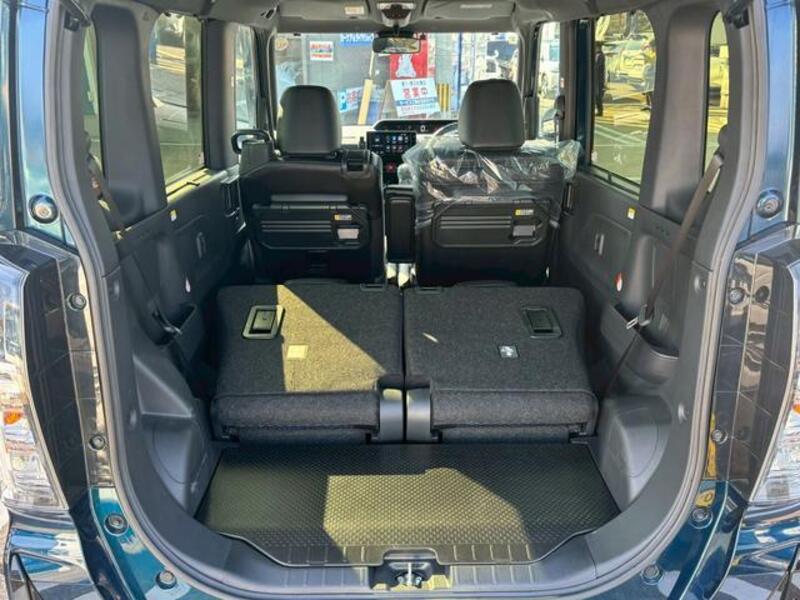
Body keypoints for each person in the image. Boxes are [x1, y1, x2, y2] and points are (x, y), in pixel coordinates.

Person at [642, 38, 656, 111]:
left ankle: (653, 106)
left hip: (653, 75)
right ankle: (648, 104)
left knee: (650, 90)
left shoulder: (657, 53)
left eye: (651, 47)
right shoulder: (652, 53)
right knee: (648, 90)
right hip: (649, 74)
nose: (650, 48)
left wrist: (646, 57)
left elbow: (653, 61)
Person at [593, 42, 606, 116]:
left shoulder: (601, 56)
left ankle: (600, 111)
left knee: (598, 95)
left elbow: (598, 67)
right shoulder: (595, 55)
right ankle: (597, 110)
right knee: (595, 95)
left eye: (596, 47)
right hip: (595, 79)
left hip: (599, 79)